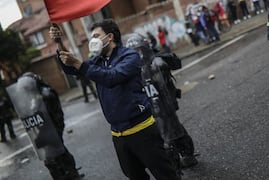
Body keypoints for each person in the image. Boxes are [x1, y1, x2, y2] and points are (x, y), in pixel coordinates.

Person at [49, 19, 180, 180]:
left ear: (109, 37)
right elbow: (71, 68)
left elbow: (112, 77)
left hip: (143, 131)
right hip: (119, 136)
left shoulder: (129, 56)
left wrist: (80, 64)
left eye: (96, 36)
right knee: (135, 175)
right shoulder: (97, 61)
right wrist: (59, 43)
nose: (92, 41)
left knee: (165, 174)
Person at [126, 34, 198, 174]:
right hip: (153, 107)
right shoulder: (135, 68)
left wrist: (167, 106)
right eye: (134, 52)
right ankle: (181, 160)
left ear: (144, 48)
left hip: (164, 106)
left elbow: (165, 86)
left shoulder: (157, 63)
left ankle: (179, 162)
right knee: (170, 134)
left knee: (170, 136)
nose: (137, 54)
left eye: (139, 50)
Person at [19, 72, 83, 179]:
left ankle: (69, 175)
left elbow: (53, 114)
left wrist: (55, 131)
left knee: (53, 158)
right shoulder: (36, 95)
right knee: (60, 153)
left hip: (52, 128)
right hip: (46, 129)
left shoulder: (45, 94)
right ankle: (71, 173)